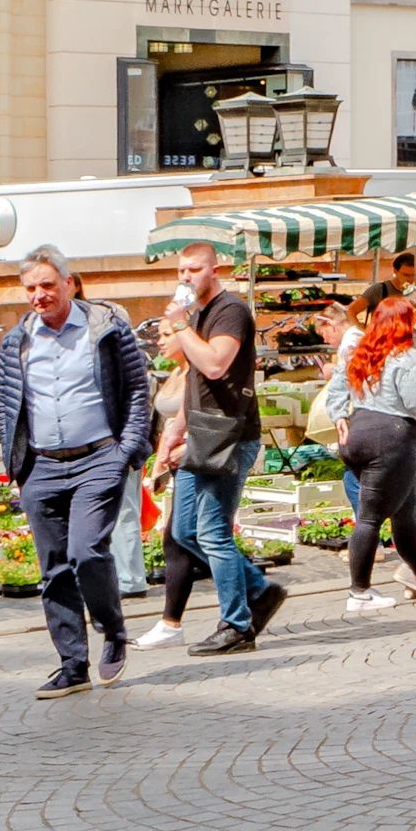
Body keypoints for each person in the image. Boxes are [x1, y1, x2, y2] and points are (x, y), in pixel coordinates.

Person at [0, 248, 156, 698]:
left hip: (99, 457)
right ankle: (71, 664)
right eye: (31, 288)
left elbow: (138, 390)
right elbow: (8, 406)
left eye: (47, 285)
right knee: (54, 569)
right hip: (41, 464)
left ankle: (114, 631)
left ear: (68, 283)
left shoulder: (105, 329)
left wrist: (126, 451)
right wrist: (16, 462)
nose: (39, 295)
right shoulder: (17, 341)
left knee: (86, 552)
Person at [152, 243, 284, 653]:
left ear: (216, 269)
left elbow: (214, 365)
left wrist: (179, 326)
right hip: (200, 435)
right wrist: (174, 432)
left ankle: (237, 624)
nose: (185, 276)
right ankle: (259, 590)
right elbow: (197, 382)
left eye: (194, 269)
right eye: (181, 270)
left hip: (228, 437)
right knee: (184, 530)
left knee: (212, 533)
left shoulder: (230, 311)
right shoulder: (199, 316)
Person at [336, 291, 416, 607]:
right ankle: (358, 592)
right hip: (391, 436)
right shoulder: (408, 354)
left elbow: (338, 385)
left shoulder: (365, 350)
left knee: (403, 511)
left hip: (356, 432)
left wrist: (338, 415)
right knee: (371, 518)